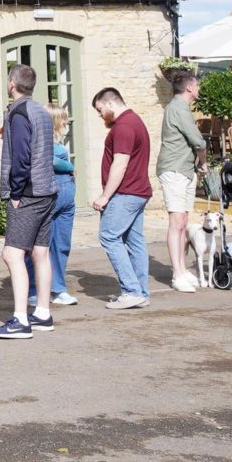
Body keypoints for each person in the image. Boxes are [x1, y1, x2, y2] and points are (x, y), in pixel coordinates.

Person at [0, 65, 58, 339]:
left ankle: (20, 320)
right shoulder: (40, 110)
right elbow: (35, 145)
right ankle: (42, 313)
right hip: (47, 191)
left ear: (11, 84)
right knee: (40, 253)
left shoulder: (18, 112)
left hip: (28, 193)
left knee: (12, 253)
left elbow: (22, 158)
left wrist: (16, 193)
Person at [88, 89, 152, 310]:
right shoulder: (136, 121)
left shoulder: (123, 126)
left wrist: (105, 196)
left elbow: (120, 163)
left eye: (100, 110)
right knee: (135, 243)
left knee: (108, 237)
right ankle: (141, 293)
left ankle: (132, 291)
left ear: (110, 104)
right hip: (138, 192)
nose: (100, 115)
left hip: (125, 194)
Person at [157, 71, 207, 293]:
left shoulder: (182, 108)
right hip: (174, 169)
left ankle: (183, 269)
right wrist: (203, 164)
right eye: (196, 84)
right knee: (176, 221)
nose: (198, 88)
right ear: (189, 87)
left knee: (184, 220)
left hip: (185, 169)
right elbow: (198, 141)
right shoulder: (178, 108)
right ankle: (177, 274)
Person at [33, 105, 79, 308]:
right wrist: (70, 167)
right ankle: (35, 289)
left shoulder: (58, 142)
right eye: (63, 119)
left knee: (61, 245)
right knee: (41, 245)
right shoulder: (42, 141)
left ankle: (58, 288)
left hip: (66, 199)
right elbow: (49, 161)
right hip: (51, 196)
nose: (66, 123)